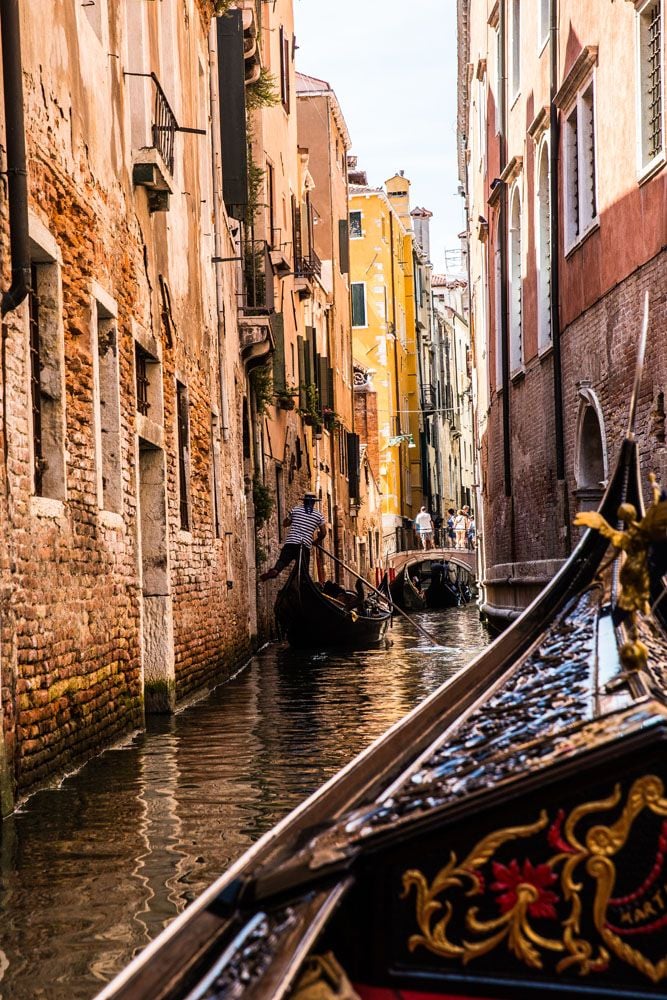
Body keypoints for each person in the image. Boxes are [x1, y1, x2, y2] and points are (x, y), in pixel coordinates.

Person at [260, 491, 326, 580]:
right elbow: (323, 533)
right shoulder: (318, 516)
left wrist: (292, 520)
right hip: (305, 544)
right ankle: (301, 584)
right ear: (314, 502)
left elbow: (285, 523)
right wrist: (316, 542)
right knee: (303, 572)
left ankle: (275, 570)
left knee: (282, 561)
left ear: (304, 501)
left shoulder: (295, 510)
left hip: (291, 542)